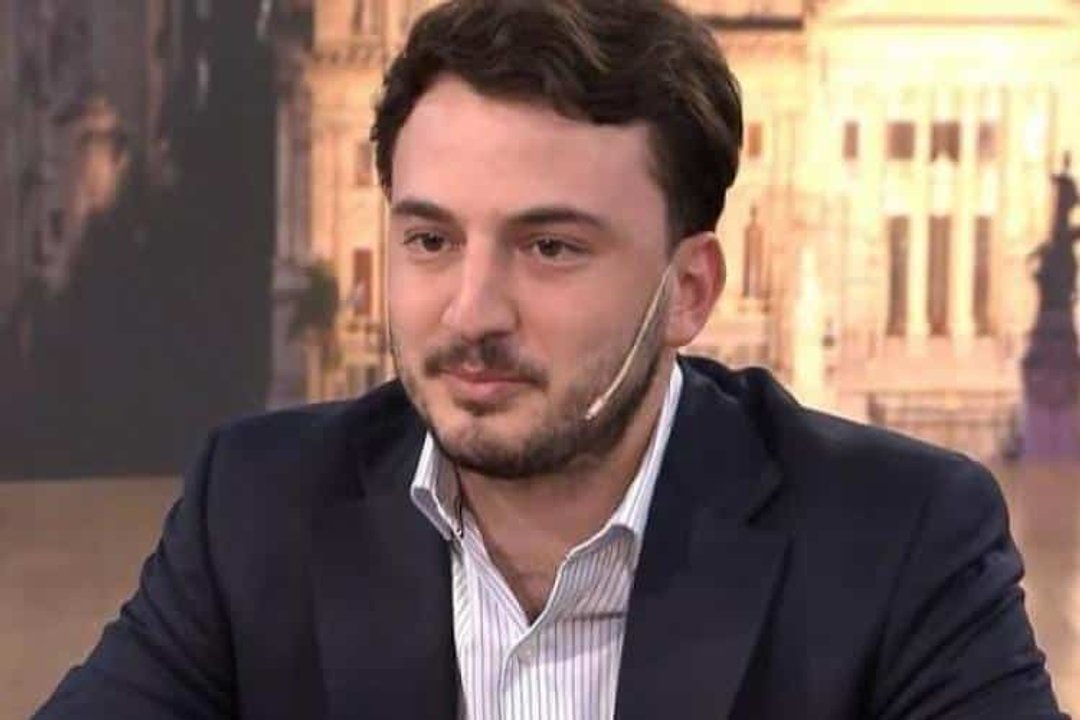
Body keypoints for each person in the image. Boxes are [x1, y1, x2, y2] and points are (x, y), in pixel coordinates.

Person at [34, 1, 1064, 718]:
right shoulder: (257, 510)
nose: (472, 310)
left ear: (689, 290)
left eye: (551, 248)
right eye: (430, 239)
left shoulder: (900, 542)